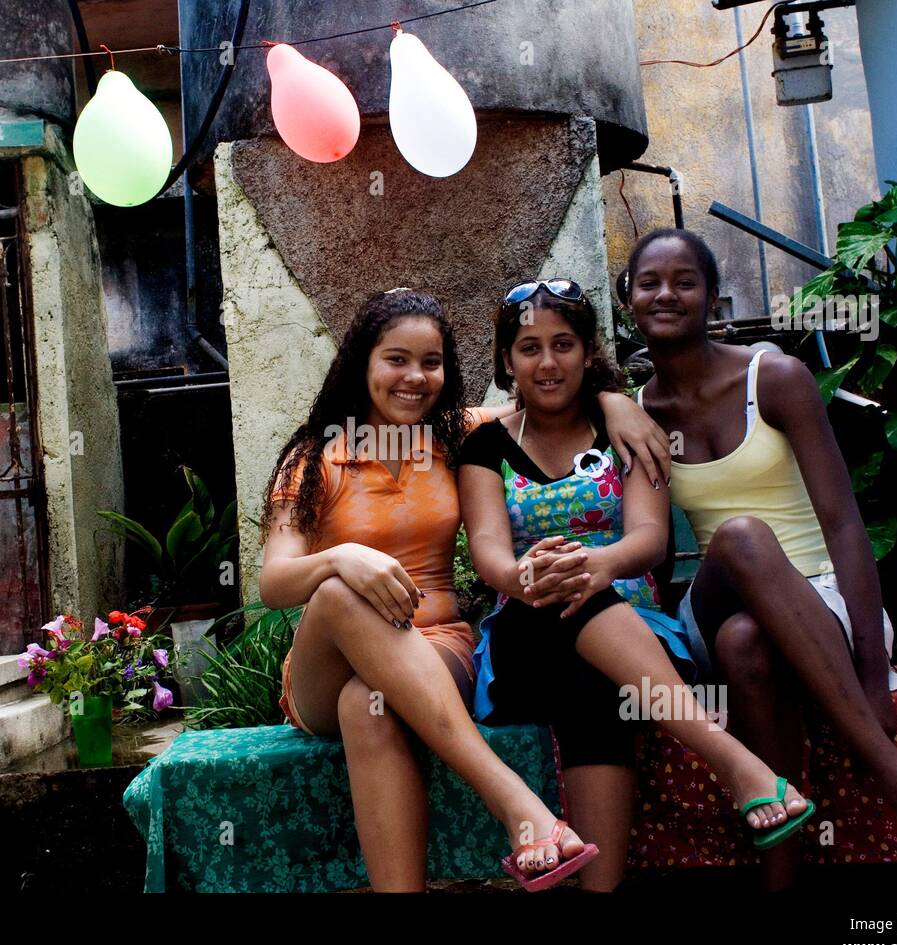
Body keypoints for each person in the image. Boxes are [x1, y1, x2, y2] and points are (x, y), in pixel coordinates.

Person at [258, 287, 669, 892]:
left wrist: (616, 402)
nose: (415, 377)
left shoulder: (456, 436)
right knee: (342, 593)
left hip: (436, 645)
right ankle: (516, 805)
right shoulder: (316, 458)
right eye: (396, 359)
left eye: (431, 362)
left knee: (365, 709)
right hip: (326, 661)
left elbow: (549, 395)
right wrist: (344, 557)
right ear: (362, 364)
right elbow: (273, 584)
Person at [627, 227, 897, 884]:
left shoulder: (775, 378)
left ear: (712, 298)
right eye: (650, 281)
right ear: (628, 299)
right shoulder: (635, 415)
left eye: (685, 281)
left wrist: (876, 674)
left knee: (747, 644)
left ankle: (782, 881)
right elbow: (645, 543)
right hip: (710, 600)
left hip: (821, 598)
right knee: (738, 542)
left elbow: (845, 523)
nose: (666, 293)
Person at [458, 278, 814, 892]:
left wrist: (601, 565)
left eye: (564, 344)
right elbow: (488, 550)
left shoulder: (628, 428)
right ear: (506, 360)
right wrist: (526, 575)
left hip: (634, 631)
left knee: (592, 681)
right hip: (524, 634)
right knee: (563, 597)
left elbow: (649, 538)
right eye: (530, 348)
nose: (548, 363)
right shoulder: (486, 445)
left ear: (589, 350)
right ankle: (734, 764)